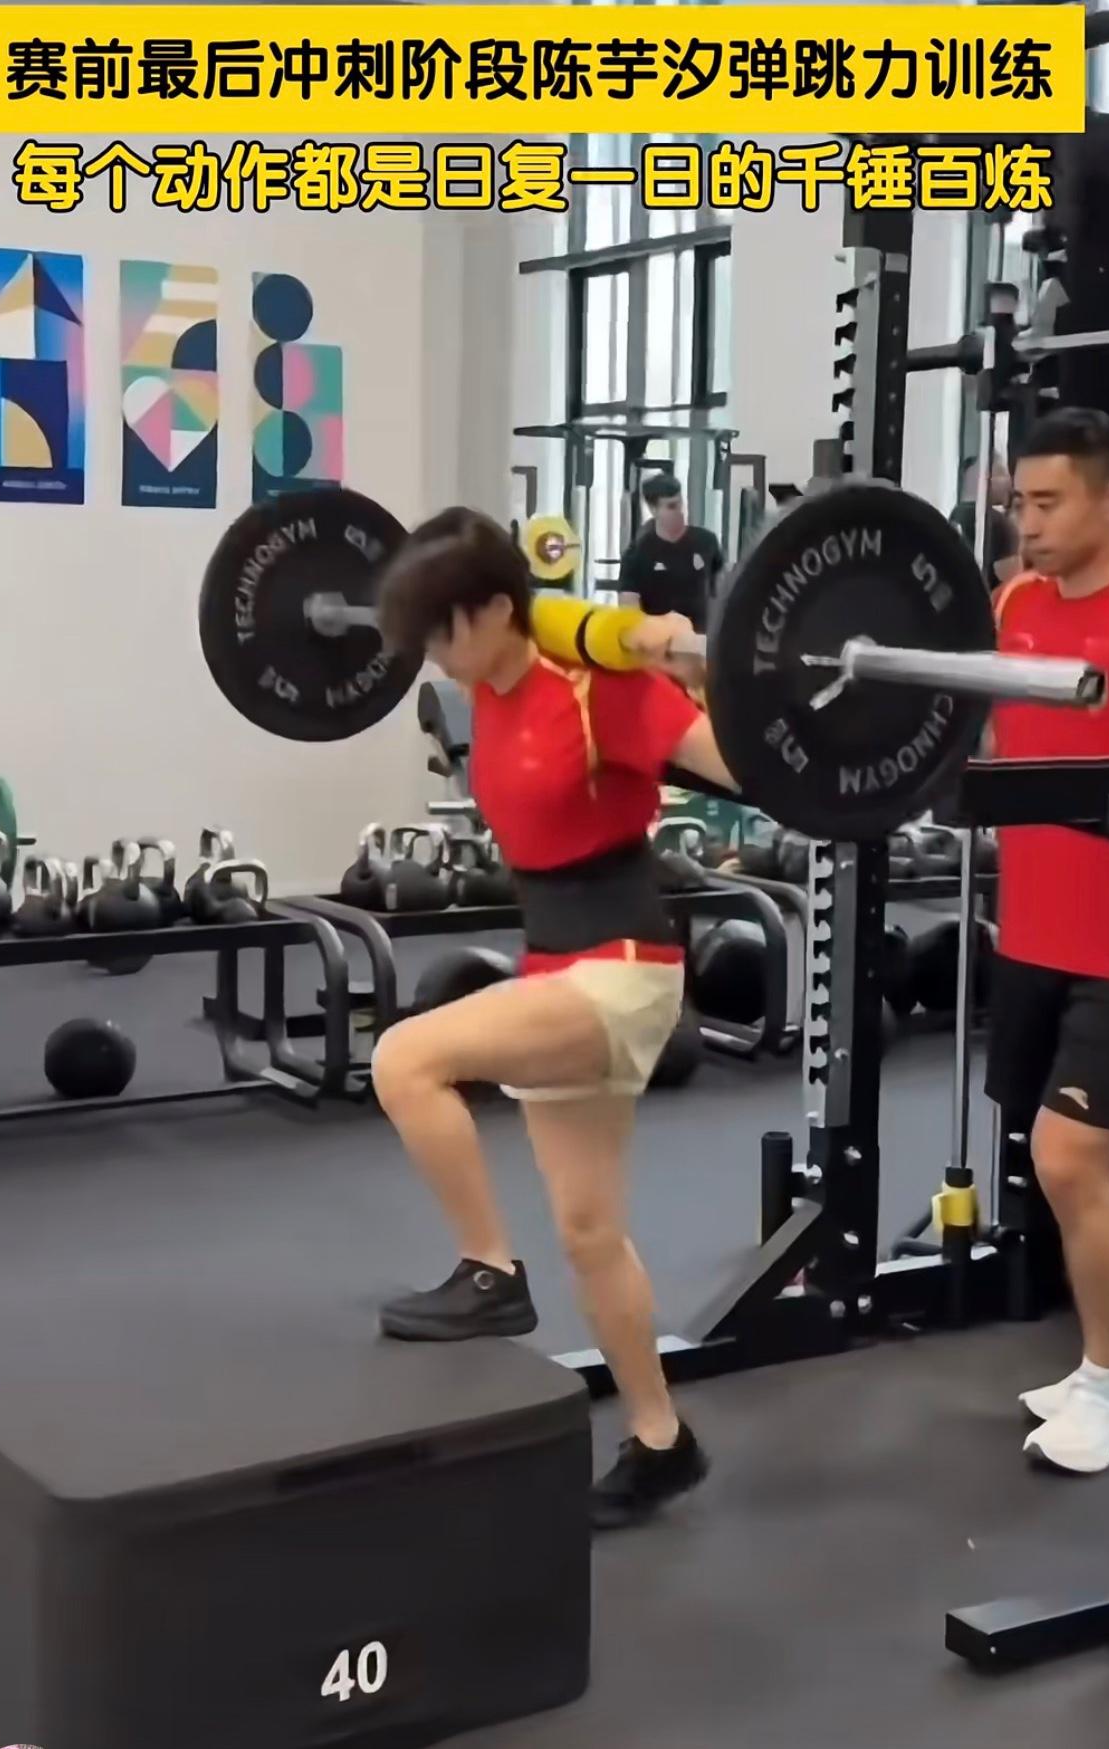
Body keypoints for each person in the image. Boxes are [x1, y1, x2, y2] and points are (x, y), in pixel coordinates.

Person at [371, 508, 732, 1530]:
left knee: (405, 1059)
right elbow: (548, 619)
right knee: (589, 1232)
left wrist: (711, 669)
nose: (435, 656)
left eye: (445, 630)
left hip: (621, 972)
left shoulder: (603, 685)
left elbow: (756, 764)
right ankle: (661, 1439)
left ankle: (490, 1273)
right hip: (556, 963)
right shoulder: (494, 684)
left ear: (495, 609)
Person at [984, 407, 1109, 1473]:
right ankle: (1099, 1363)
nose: (1026, 523)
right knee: (1074, 1165)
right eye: (1018, 503)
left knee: (1068, 1156)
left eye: (1048, 502)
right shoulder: (1016, 605)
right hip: (1030, 929)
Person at [617, 473, 723, 633]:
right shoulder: (636, 555)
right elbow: (629, 613)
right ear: (653, 510)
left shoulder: (707, 542)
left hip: (701, 640)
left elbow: (722, 591)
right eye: (671, 506)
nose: (679, 511)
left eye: (680, 503)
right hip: (659, 641)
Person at [949, 452, 1019, 587]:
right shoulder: (997, 523)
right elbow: (1013, 576)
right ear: (983, 478)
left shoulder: (957, 514)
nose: (1009, 481)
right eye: (1001, 473)